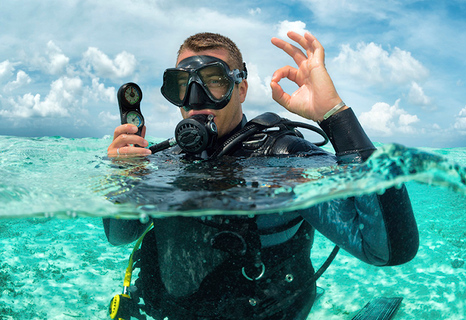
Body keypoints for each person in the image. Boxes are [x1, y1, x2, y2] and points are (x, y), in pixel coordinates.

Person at [104, 31, 419, 320]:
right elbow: (119, 235)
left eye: (214, 80)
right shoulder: (162, 162)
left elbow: (386, 249)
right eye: (182, 85)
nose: (195, 98)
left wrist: (334, 115)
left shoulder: (284, 158)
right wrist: (124, 178)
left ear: (240, 89)